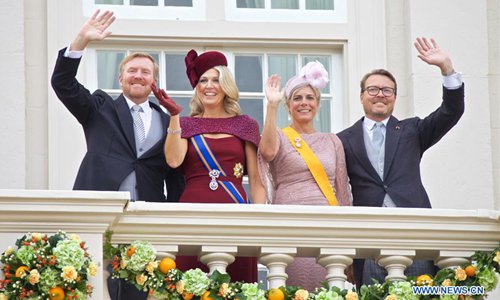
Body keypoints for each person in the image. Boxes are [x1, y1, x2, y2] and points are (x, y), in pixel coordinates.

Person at [51, 10, 185, 300]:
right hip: (99, 211)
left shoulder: (166, 120)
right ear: (121, 76)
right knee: (95, 287)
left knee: (139, 291)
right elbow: (63, 84)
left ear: (154, 81)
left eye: (145, 72)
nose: (138, 75)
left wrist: (173, 217)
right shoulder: (99, 107)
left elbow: (175, 173)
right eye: (133, 70)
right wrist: (80, 41)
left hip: (147, 217)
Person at [337, 37, 465, 286]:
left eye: (387, 90)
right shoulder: (343, 140)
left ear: (394, 97)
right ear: (362, 96)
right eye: (373, 89)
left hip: (414, 233)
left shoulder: (412, 130)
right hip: (369, 240)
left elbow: (451, 111)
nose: (380, 95)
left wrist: (447, 69)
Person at [152, 49, 266, 282]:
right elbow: (174, 160)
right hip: (191, 213)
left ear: (226, 85)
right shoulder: (186, 124)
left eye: (215, 80)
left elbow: (256, 180)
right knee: (188, 285)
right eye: (203, 80)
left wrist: (258, 221)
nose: (209, 86)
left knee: (236, 287)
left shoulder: (245, 125)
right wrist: (174, 116)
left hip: (235, 214)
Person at [258, 61, 352, 291]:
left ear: (318, 104)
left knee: (326, 286)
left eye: (310, 98)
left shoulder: (332, 141)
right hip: (290, 222)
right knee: (293, 286)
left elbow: (342, 190)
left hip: (327, 224)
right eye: (297, 98)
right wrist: (271, 105)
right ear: (288, 106)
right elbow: (267, 151)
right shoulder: (279, 135)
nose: (304, 103)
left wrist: (348, 233)